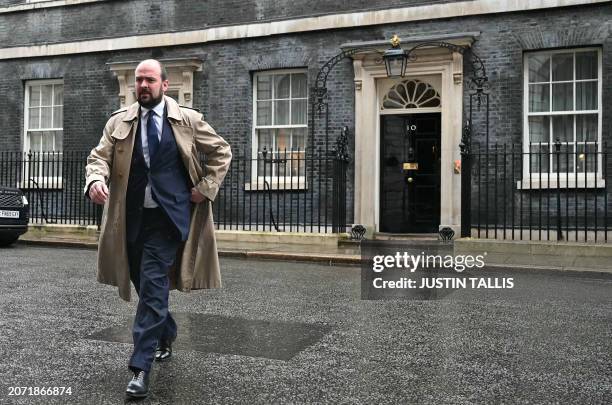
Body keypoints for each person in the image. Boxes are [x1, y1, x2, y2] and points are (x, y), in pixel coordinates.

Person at [84, 59, 232, 399]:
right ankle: (166, 332)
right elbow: (98, 157)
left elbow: (221, 151)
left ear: (165, 85)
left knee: (152, 285)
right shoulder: (120, 122)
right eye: (139, 80)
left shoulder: (187, 119)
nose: (143, 86)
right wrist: (95, 179)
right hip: (131, 221)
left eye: (149, 80)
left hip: (169, 219)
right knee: (145, 285)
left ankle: (139, 368)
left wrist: (206, 186)